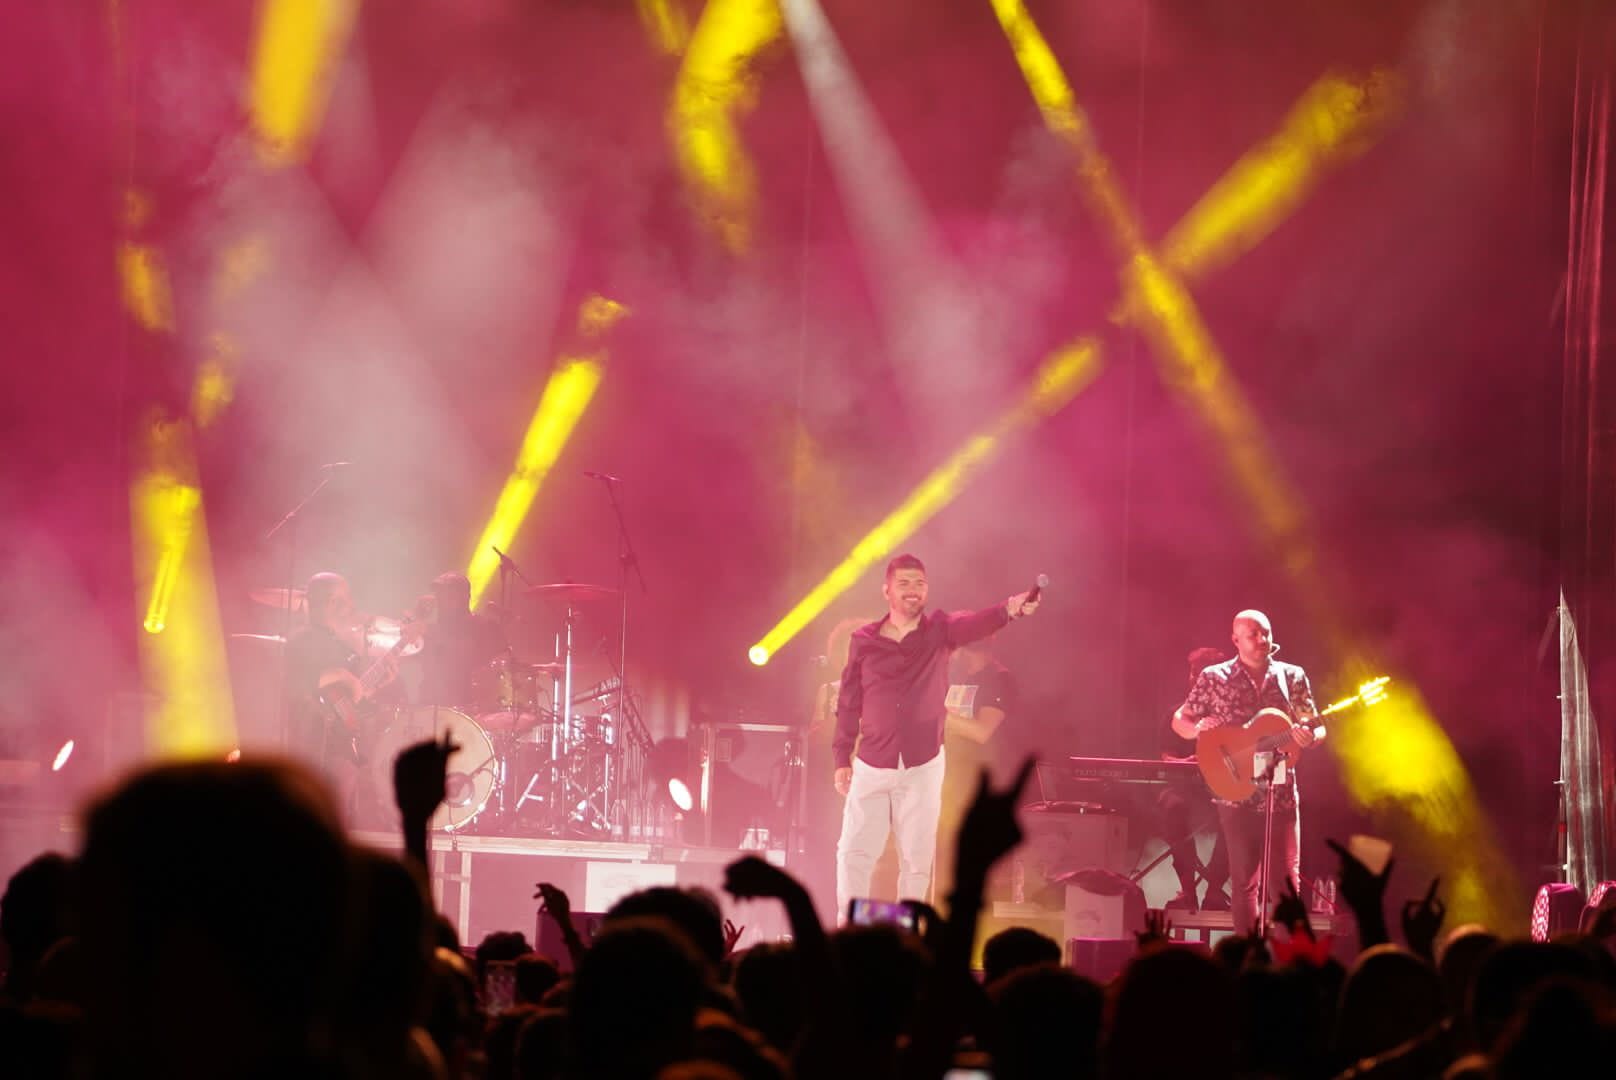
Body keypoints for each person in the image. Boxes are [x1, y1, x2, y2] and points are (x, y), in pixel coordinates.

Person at [832, 553, 1040, 914]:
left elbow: (975, 622)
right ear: (887, 590)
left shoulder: (940, 630)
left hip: (922, 764)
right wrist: (841, 757)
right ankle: (851, 932)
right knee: (855, 853)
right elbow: (849, 701)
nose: (913, 591)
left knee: (917, 858)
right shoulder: (863, 640)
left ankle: (910, 938)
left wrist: (1011, 608)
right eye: (905, 583)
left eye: (920, 583)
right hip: (872, 760)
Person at [1171, 609, 1318, 933]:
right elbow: (1180, 719)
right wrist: (1196, 729)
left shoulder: (1291, 676)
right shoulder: (1214, 677)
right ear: (1235, 639)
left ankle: (1286, 961)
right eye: (1254, 634)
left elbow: (1314, 724)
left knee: (1286, 886)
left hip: (1279, 792)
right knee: (1243, 883)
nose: (1262, 639)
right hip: (1235, 791)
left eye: (1266, 632)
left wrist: (1310, 737)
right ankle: (1247, 956)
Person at [934, 639, 1014, 904]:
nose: (951, 655)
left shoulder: (997, 679)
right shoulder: (952, 677)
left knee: (969, 866)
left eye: (954, 647)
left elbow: (982, 731)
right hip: (946, 783)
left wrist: (934, 713)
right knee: (940, 862)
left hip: (978, 787)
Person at [1158, 647, 1231, 911]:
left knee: (1236, 811)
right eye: (1193, 672)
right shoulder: (1176, 713)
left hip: (1222, 786)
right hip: (1184, 787)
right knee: (1171, 807)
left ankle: (1214, 891)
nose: (1194, 678)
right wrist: (1185, 763)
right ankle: (1187, 891)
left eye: (1200, 673)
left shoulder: (1232, 715)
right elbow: (1166, 756)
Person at [416, 572, 507, 707]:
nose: (441, 598)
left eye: (449, 593)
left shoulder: (484, 626)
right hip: (430, 709)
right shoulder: (428, 631)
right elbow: (400, 650)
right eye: (439, 593)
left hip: (472, 710)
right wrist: (417, 615)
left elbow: (501, 669)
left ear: (465, 597)